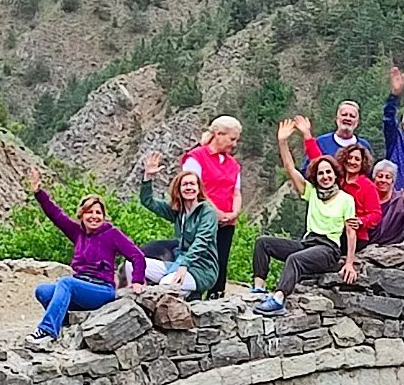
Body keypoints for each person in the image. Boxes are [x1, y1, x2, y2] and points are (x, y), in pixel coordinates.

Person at [245, 119, 359, 316]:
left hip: (328, 249)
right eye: (321, 173)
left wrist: (349, 262)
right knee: (263, 242)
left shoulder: (346, 199)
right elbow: (290, 168)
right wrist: (282, 142)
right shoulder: (312, 192)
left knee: (294, 259)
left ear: (335, 174)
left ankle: (279, 299)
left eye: (328, 172)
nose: (325, 176)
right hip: (308, 242)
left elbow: (350, 232)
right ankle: (259, 289)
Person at [25, 167, 145, 352]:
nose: (94, 216)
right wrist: (39, 193)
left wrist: (137, 280)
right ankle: (63, 326)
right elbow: (56, 215)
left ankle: (47, 331)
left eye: (98, 213)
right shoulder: (78, 233)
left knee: (66, 283)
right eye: (89, 212)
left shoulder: (112, 234)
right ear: (82, 215)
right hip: (81, 287)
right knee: (42, 291)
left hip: (101, 290)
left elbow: (137, 255)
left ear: (104, 217)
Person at [136, 151, 221, 297]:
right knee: (132, 265)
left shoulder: (207, 212)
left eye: (192, 184)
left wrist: (184, 265)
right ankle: (187, 293)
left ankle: (188, 292)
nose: (189, 188)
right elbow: (148, 201)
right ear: (179, 189)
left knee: (166, 285)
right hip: (178, 263)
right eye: (185, 184)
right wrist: (148, 177)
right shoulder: (177, 211)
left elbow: (202, 241)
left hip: (201, 268)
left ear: (198, 188)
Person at [180, 115, 243, 298]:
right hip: (200, 220)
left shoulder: (233, 164)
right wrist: (215, 213)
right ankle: (192, 296)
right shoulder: (195, 158)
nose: (234, 144)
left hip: (226, 223)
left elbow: (236, 192)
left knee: (221, 260)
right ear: (218, 134)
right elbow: (195, 190)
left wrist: (233, 213)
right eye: (232, 139)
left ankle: (216, 297)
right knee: (197, 255)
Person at [297, 115, 381, 247]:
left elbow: (376, 214)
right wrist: (307, 135)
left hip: (355, 236)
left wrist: (361, 221)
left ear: (363, 163)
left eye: (357, 159)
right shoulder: (339, 180)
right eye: (350, 157)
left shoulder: (367, 186)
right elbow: (317, 159)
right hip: (336, 232)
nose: (352, 161)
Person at [370, 160, 404, 245]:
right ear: (374, 178)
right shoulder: (367, 197)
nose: (383, 180)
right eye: (380, 176)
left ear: (393, 181)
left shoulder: (400, 199)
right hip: (369, 246)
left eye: (388, 177)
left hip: (393, 247)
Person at [306, 100, 373, 162]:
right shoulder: (321, 142)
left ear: (357, 121)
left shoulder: (364, 146)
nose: (348, 118)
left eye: (352, 116)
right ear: (336, 118)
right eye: (344, 115)